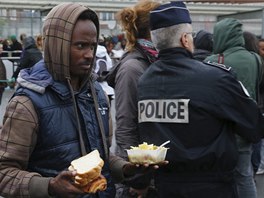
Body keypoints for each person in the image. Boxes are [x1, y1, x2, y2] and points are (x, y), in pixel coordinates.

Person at [0, 3, 164, 197]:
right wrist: (49, 186)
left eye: (93, 46)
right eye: (80, 46)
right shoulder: (27, 104)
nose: (89, 55)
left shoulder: (96, 95)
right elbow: (4, 173)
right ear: (57, 45)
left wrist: (127, 170)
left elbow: (100, 156)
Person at [137, 2, 264, 198]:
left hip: (164, 186)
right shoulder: (216, 78)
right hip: (211, 186)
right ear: (185, 39)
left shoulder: (145, 82)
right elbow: (254, 125)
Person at [205, 18, 262, 198]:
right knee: (244, 176)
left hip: (220, 131)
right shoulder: (255, 59)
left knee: (218, 178)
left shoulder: (212, 60)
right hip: (245, 128)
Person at [113, 1, 160, 197]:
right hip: (136, 176)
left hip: (150, 165)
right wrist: (136, 177)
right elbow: (125, 127)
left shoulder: (153, 61)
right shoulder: (132, 68)